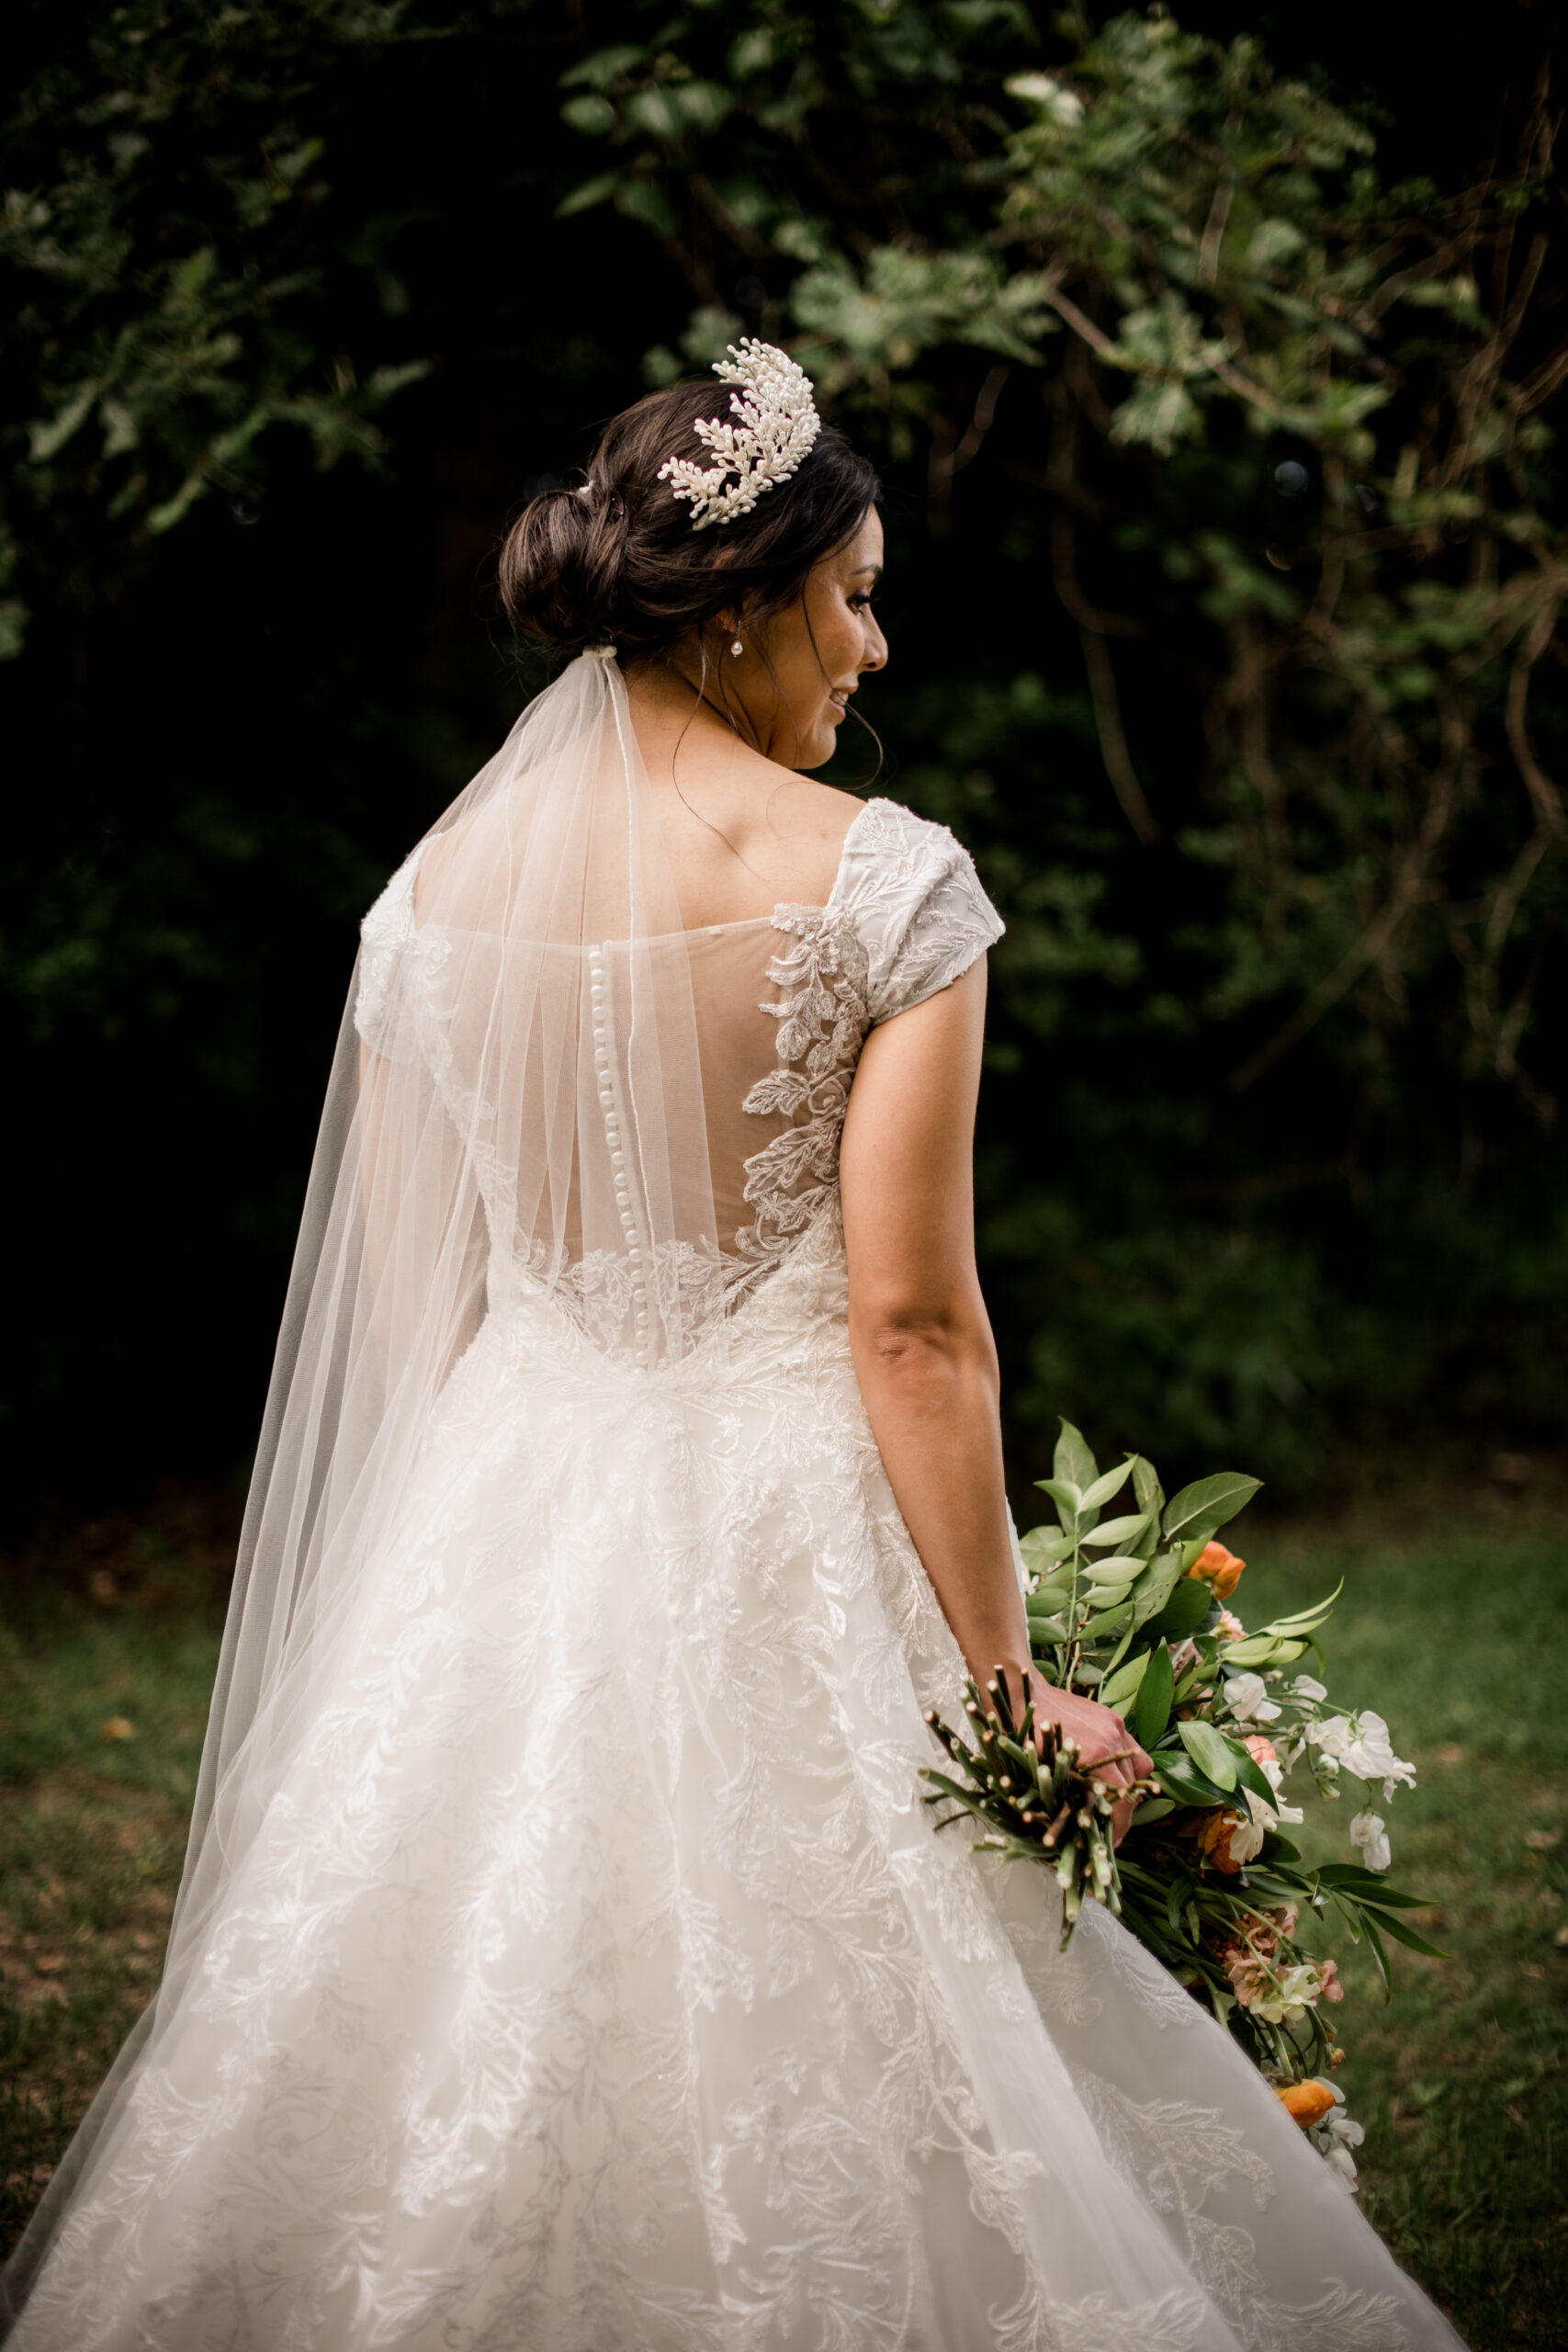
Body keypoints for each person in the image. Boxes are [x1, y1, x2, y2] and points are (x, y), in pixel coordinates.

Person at [1, 344, 1464, 2350]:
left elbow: (419, 1310)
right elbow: (912, 1326)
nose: (873, 639)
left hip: (501, 1510)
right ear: (742, 603)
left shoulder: (425, 907)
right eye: (852, 591)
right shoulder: (881, 883)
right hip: (787, 1525)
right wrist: (1008, 1674)